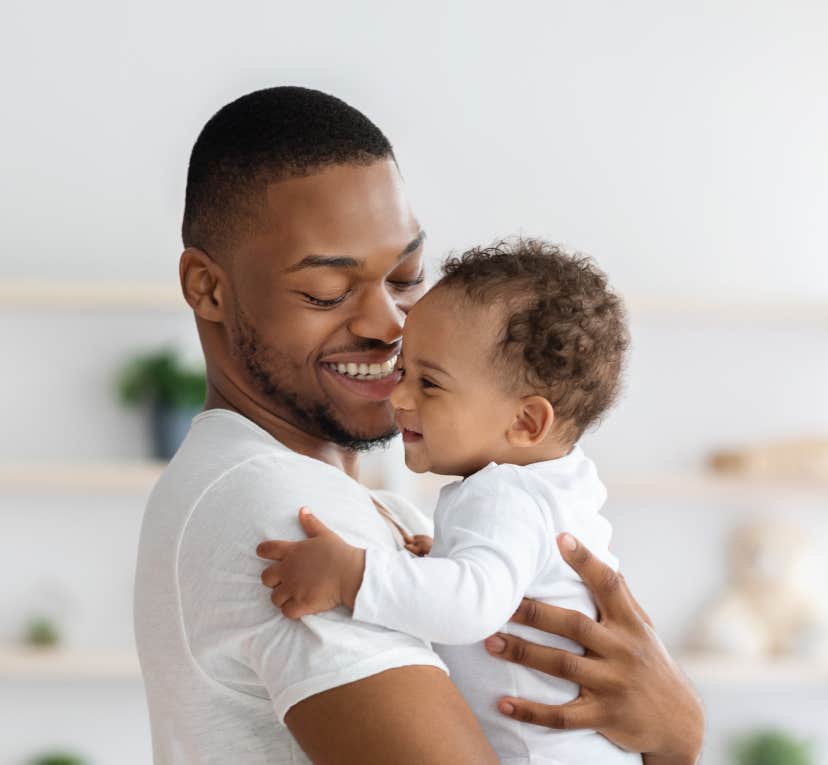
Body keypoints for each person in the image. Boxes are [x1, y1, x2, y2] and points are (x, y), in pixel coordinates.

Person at [132, 86, 703, 764]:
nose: (389, 326)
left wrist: (670, 731)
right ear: (208, 289)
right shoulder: (286, 514)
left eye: (406, 276)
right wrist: (677, 738)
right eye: (327, 291)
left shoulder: (392, 513)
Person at [256, 238, 638, 763]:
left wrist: (352, 575)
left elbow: (472, 605)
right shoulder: (555, 488)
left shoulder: (506, 495)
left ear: (525, 422)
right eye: (404, 371)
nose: (399, 396)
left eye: (429, 383)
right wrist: (442, 560)